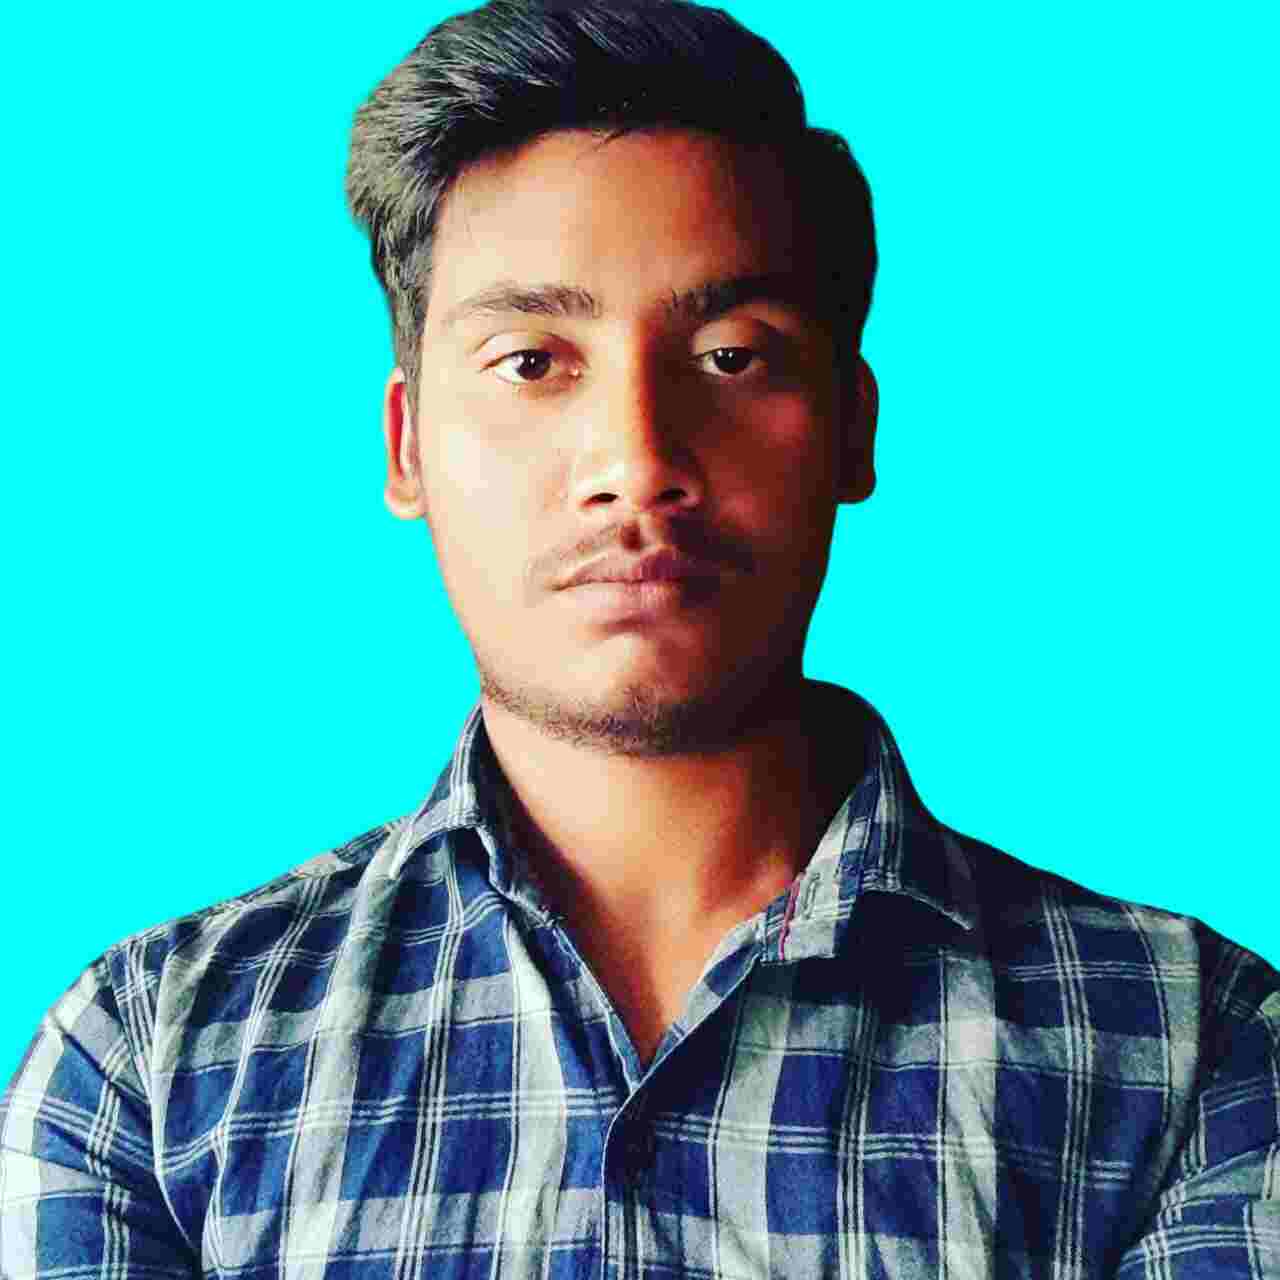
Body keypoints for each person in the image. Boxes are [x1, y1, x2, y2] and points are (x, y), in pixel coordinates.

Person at [2, 0, 1276, 1275]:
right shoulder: (148, 1065)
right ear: (406, 444)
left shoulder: (1195, 1052)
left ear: (850, 429)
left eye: (730, 356)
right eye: (529, 361)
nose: (636, 459)